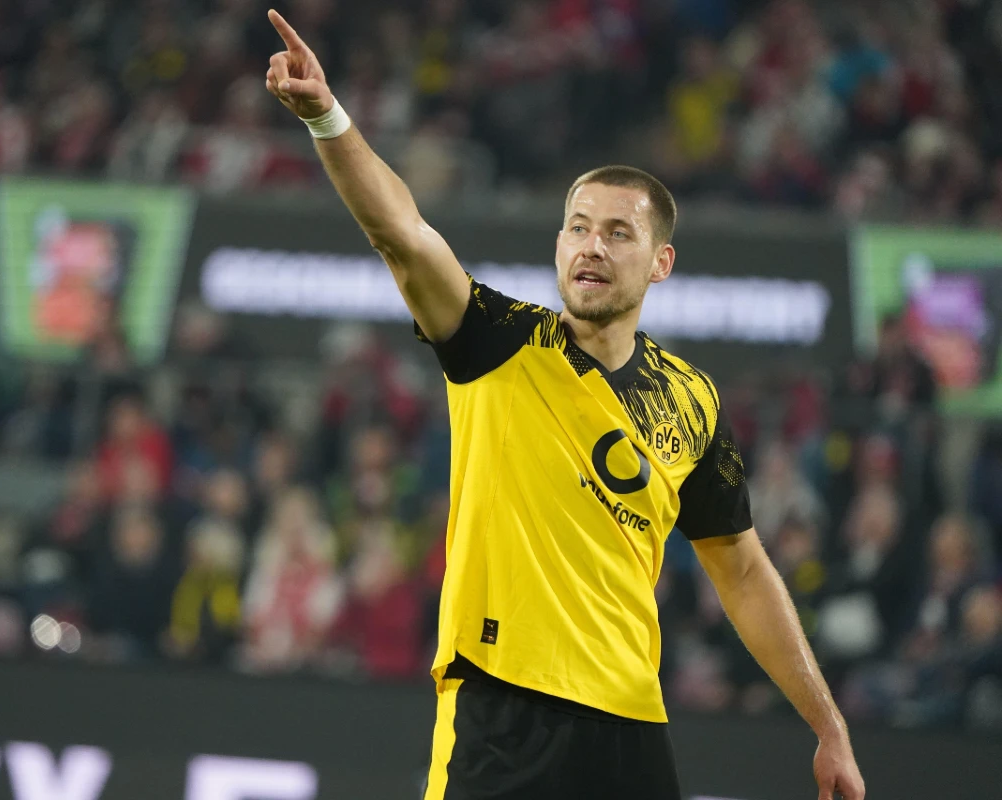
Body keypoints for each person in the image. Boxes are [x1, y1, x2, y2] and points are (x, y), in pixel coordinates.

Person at [263, 10, 866, 800]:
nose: (591, 245)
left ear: (661, 263)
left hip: (629, 722)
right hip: (503, 706)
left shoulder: (692, 403)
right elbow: (403, 234)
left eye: (618, 233)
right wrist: (327, 117)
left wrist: (829, 726)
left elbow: (742, 567)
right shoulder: (495, 341)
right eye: (578, 227)